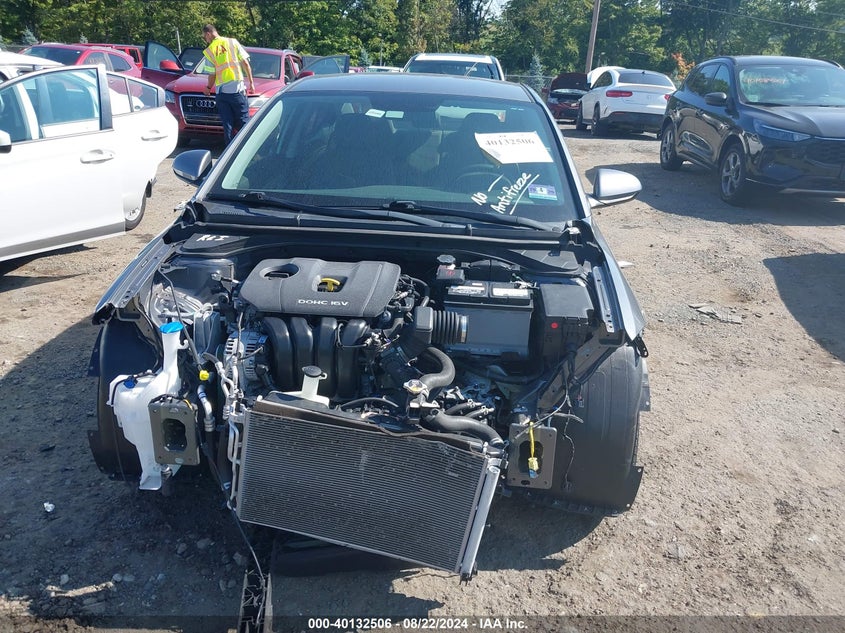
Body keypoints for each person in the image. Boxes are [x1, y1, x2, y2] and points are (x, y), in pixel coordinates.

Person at [201, 24, 255, 145]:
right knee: (243, 123)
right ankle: (247, 149)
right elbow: (246, 64)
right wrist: (251, 83)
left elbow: (212, 75)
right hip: (237, 90)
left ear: (208, 34)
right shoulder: (233, 42)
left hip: (222, 93)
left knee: (228, 126)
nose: (205, 40)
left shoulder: (209, 51)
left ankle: (230, 152)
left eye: (205, 37)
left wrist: (208, 88)